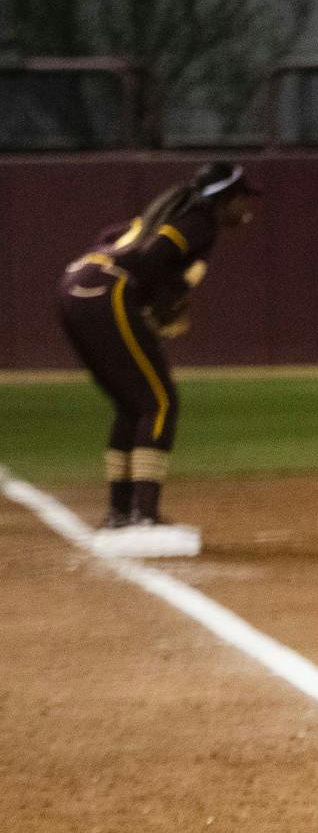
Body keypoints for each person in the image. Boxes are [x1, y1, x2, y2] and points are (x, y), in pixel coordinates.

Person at [57, 161, 260, 558]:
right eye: (242, 198)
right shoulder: (200, 219)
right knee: (160, 403)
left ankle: (121, 514)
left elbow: (111, 237)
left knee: (132, 404)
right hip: (106, 291)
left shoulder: (172, 213)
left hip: (76, 286)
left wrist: (158, 296)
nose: (246, 206)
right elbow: (154, 257)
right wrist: (167, 299)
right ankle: (144, 517)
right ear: (226, 199)